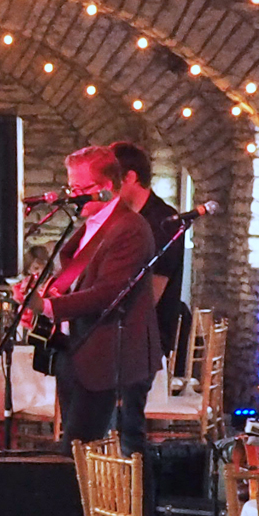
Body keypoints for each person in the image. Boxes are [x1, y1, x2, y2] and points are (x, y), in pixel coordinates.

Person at [40, 144, 164, 454]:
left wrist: (49, 306)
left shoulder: (129, 228)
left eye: (81, 189)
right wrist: (43, 294)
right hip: (76, 349)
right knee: (78, 451)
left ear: (107, 187)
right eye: (71, 187)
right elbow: (76, 281)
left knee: (80, 450)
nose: (74, 195)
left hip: (108, 356)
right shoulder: (93, 226)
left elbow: (108, 292)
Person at [111, 142, 188, 366]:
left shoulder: (164, 222)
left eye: (111, 180)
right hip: (118, 335)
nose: (107, 189)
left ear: (130, 177)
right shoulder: (121, 217)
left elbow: (150, 295)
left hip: (145, 341)